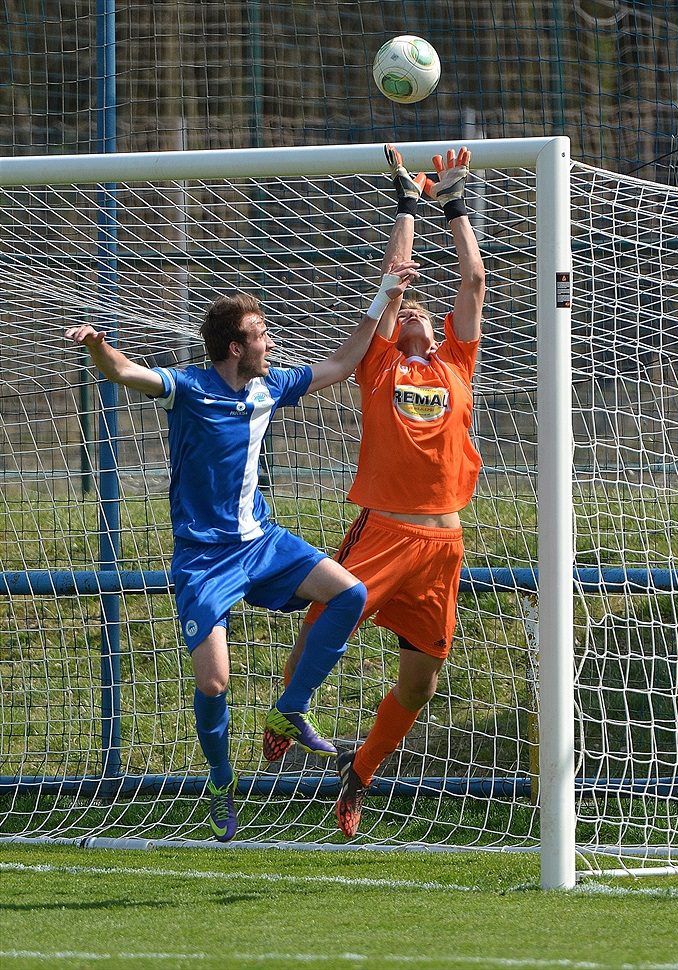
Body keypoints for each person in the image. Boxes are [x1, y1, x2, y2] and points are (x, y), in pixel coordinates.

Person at [65, 252, 419, 842]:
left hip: (262, 542)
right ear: (235, 347)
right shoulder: (191, 389)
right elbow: (127, 374)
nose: (271, 342)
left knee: (350, 594)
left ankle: (290, 706)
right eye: (260, 334)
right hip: (204, 558)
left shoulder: (271, 386)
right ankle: (222, 780)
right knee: (213, 684)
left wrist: (383, 296)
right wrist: (98, 347)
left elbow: (341, 362)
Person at [266, 144, 485, 838]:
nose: (418, 312)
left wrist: (455, 206)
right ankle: (284, 708)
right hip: (386, 529)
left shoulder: (457, 361)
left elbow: (475, 281)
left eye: (427, 310)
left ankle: (358, 773)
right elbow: (394, 275)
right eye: (409, 309)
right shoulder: (380, 364)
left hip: (443, 542)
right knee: (321, 621)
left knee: (420, 684)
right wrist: (406, 204)